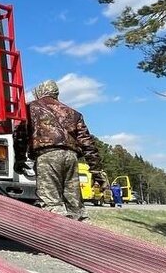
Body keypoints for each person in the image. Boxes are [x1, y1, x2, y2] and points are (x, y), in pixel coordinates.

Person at [13, 79, 103, 221]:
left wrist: (20, 158)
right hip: (71, 157)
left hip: (47, 156)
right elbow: (88, 144)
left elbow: (20, 135)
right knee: (75, 204)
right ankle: (84, 233)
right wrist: (96, 171)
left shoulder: (29, 109)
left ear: (39, 92)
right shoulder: (74, 113)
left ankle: (58, 236)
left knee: (52, 203)